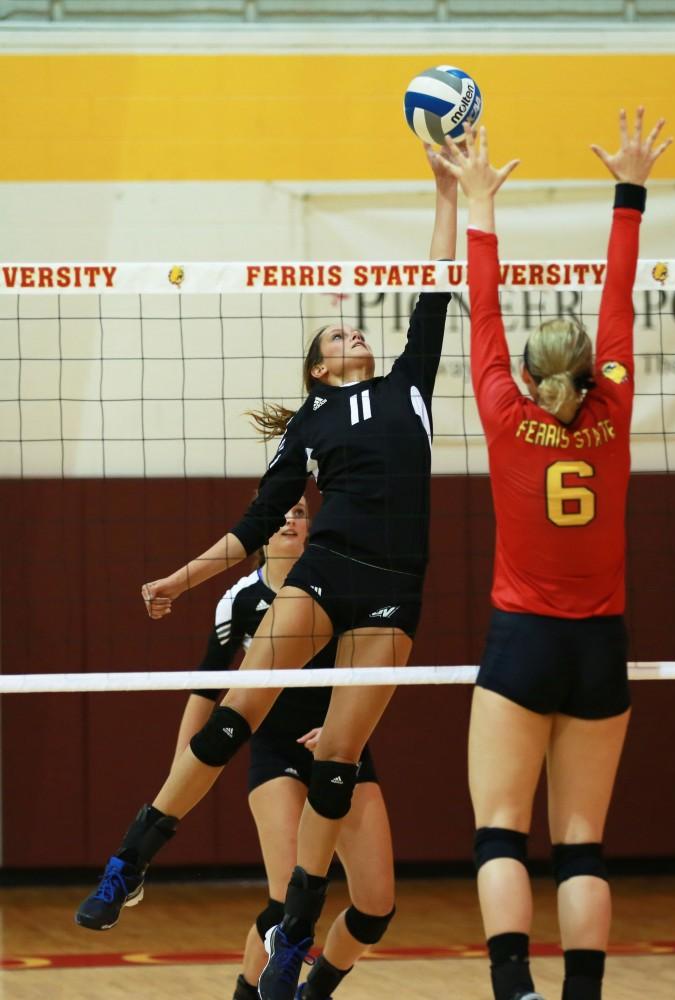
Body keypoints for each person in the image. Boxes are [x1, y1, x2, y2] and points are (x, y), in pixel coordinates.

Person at [75, 144, 459, 1000]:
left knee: (340, 763)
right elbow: (256, 524)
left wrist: (448, 193)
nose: (351, 330)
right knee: (230, 723)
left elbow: (438, 284)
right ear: (320, 369)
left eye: (353, 327)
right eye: (335, 336)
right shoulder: (309, 428)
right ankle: (128, 861)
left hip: (397, 586)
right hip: (326, 569)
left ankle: (292, 938)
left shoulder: (411, 386)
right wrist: (180, 580)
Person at [436, 109, 672, 1000]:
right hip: (600, 647)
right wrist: (630, 191)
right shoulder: (611, 413)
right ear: (590, 374)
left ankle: (513, 994)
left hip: (521, 643)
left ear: (530, 378)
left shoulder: (505, 411)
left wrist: (478, 200)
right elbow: (621, 299)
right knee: (582, 844)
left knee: (500, 832)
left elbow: (483, 304)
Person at [171, 497, 395, 1000]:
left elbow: (371, 671)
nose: (292, 520)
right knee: (287, 901)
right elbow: (206, 688)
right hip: (276, 754)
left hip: (341, 748)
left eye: (300, 512)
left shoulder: (344, 585)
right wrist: (183, 768)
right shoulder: (241, 600)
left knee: (376, 908)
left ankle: (315, 991)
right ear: (258, 532)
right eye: (282, 514)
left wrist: (341, 727)